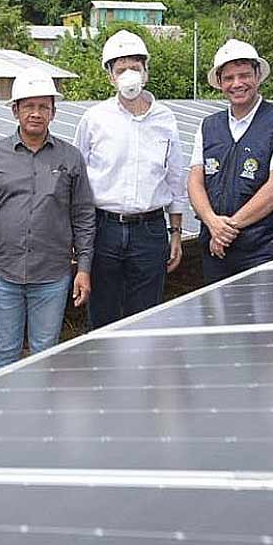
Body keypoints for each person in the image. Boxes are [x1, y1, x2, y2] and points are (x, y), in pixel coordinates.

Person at [0, 69, 95, 371]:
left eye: (43, 106)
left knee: (44, 354)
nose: (36, 113)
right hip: (4, 274)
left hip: (53, 276)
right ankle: (4, 417)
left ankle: (40, 418)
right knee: (4, 354)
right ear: (15, 110)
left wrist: (84, 269)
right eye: (28, 106)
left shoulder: (71, 157)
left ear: (53, 111)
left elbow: (83, 216)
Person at [74, 30, 187, 329]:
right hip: (104, 227)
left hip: (149, 231)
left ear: (146, 72)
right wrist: (79, 238)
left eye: (134, 68)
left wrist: (175, 231)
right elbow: (78, 179)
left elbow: (175, 179)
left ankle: (142, 374)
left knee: (146, 316)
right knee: (103, 314)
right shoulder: (94, 119)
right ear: (110, 76)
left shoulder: (165, 119)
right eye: (120, 69)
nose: (128, 76)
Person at [188, 40, 273, 283]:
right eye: (229, 78)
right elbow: (195, 182)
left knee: (263, 318)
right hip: (215, 248)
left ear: (258, 76)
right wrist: (212, 223)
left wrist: (226, 230)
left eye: (244, 75)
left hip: (263, 248)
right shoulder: (209, 126)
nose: (237, 83)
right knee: (219, 318)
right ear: (219, 83)